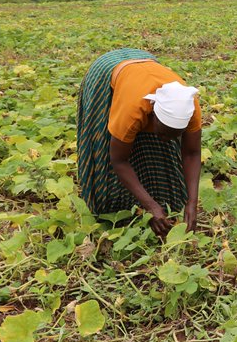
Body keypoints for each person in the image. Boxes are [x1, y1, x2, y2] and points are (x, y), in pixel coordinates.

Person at [76, 48, 203, 239]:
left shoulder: (189, 107)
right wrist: (151, 206)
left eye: (175, 136)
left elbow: (192, 153)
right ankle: (118, 205)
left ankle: (158, 201)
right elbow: (118, 160)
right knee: (107, 144)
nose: (167, 140)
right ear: (152, 112)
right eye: (164, 133)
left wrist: (192, 203)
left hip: (146, 65)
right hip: (107, 71)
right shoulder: (133, 110)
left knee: (162, 150)